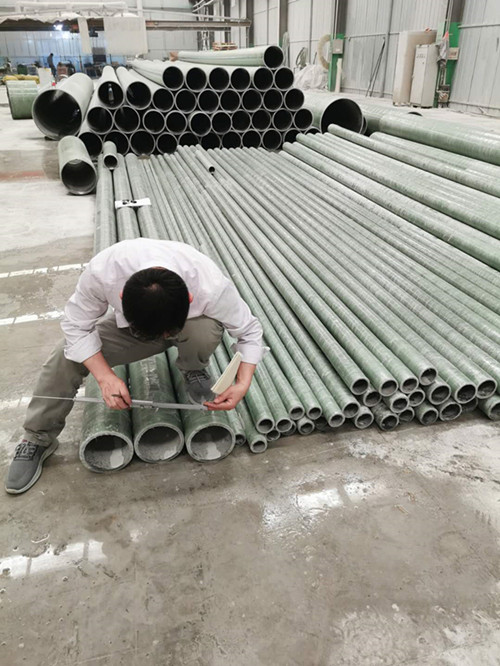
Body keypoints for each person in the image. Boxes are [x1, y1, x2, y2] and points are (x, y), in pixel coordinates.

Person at [5, 238, 264, 495]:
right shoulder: (103, 272)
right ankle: (37, 436)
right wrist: (104, 376)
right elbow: (76, 327)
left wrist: (242, 383)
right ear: (121, 296)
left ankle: (192, 367)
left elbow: (250, 331)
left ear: (189, 297)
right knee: (64, 356)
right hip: (134, 329)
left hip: (187, 325)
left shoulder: (209, 284)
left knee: (204, 329)